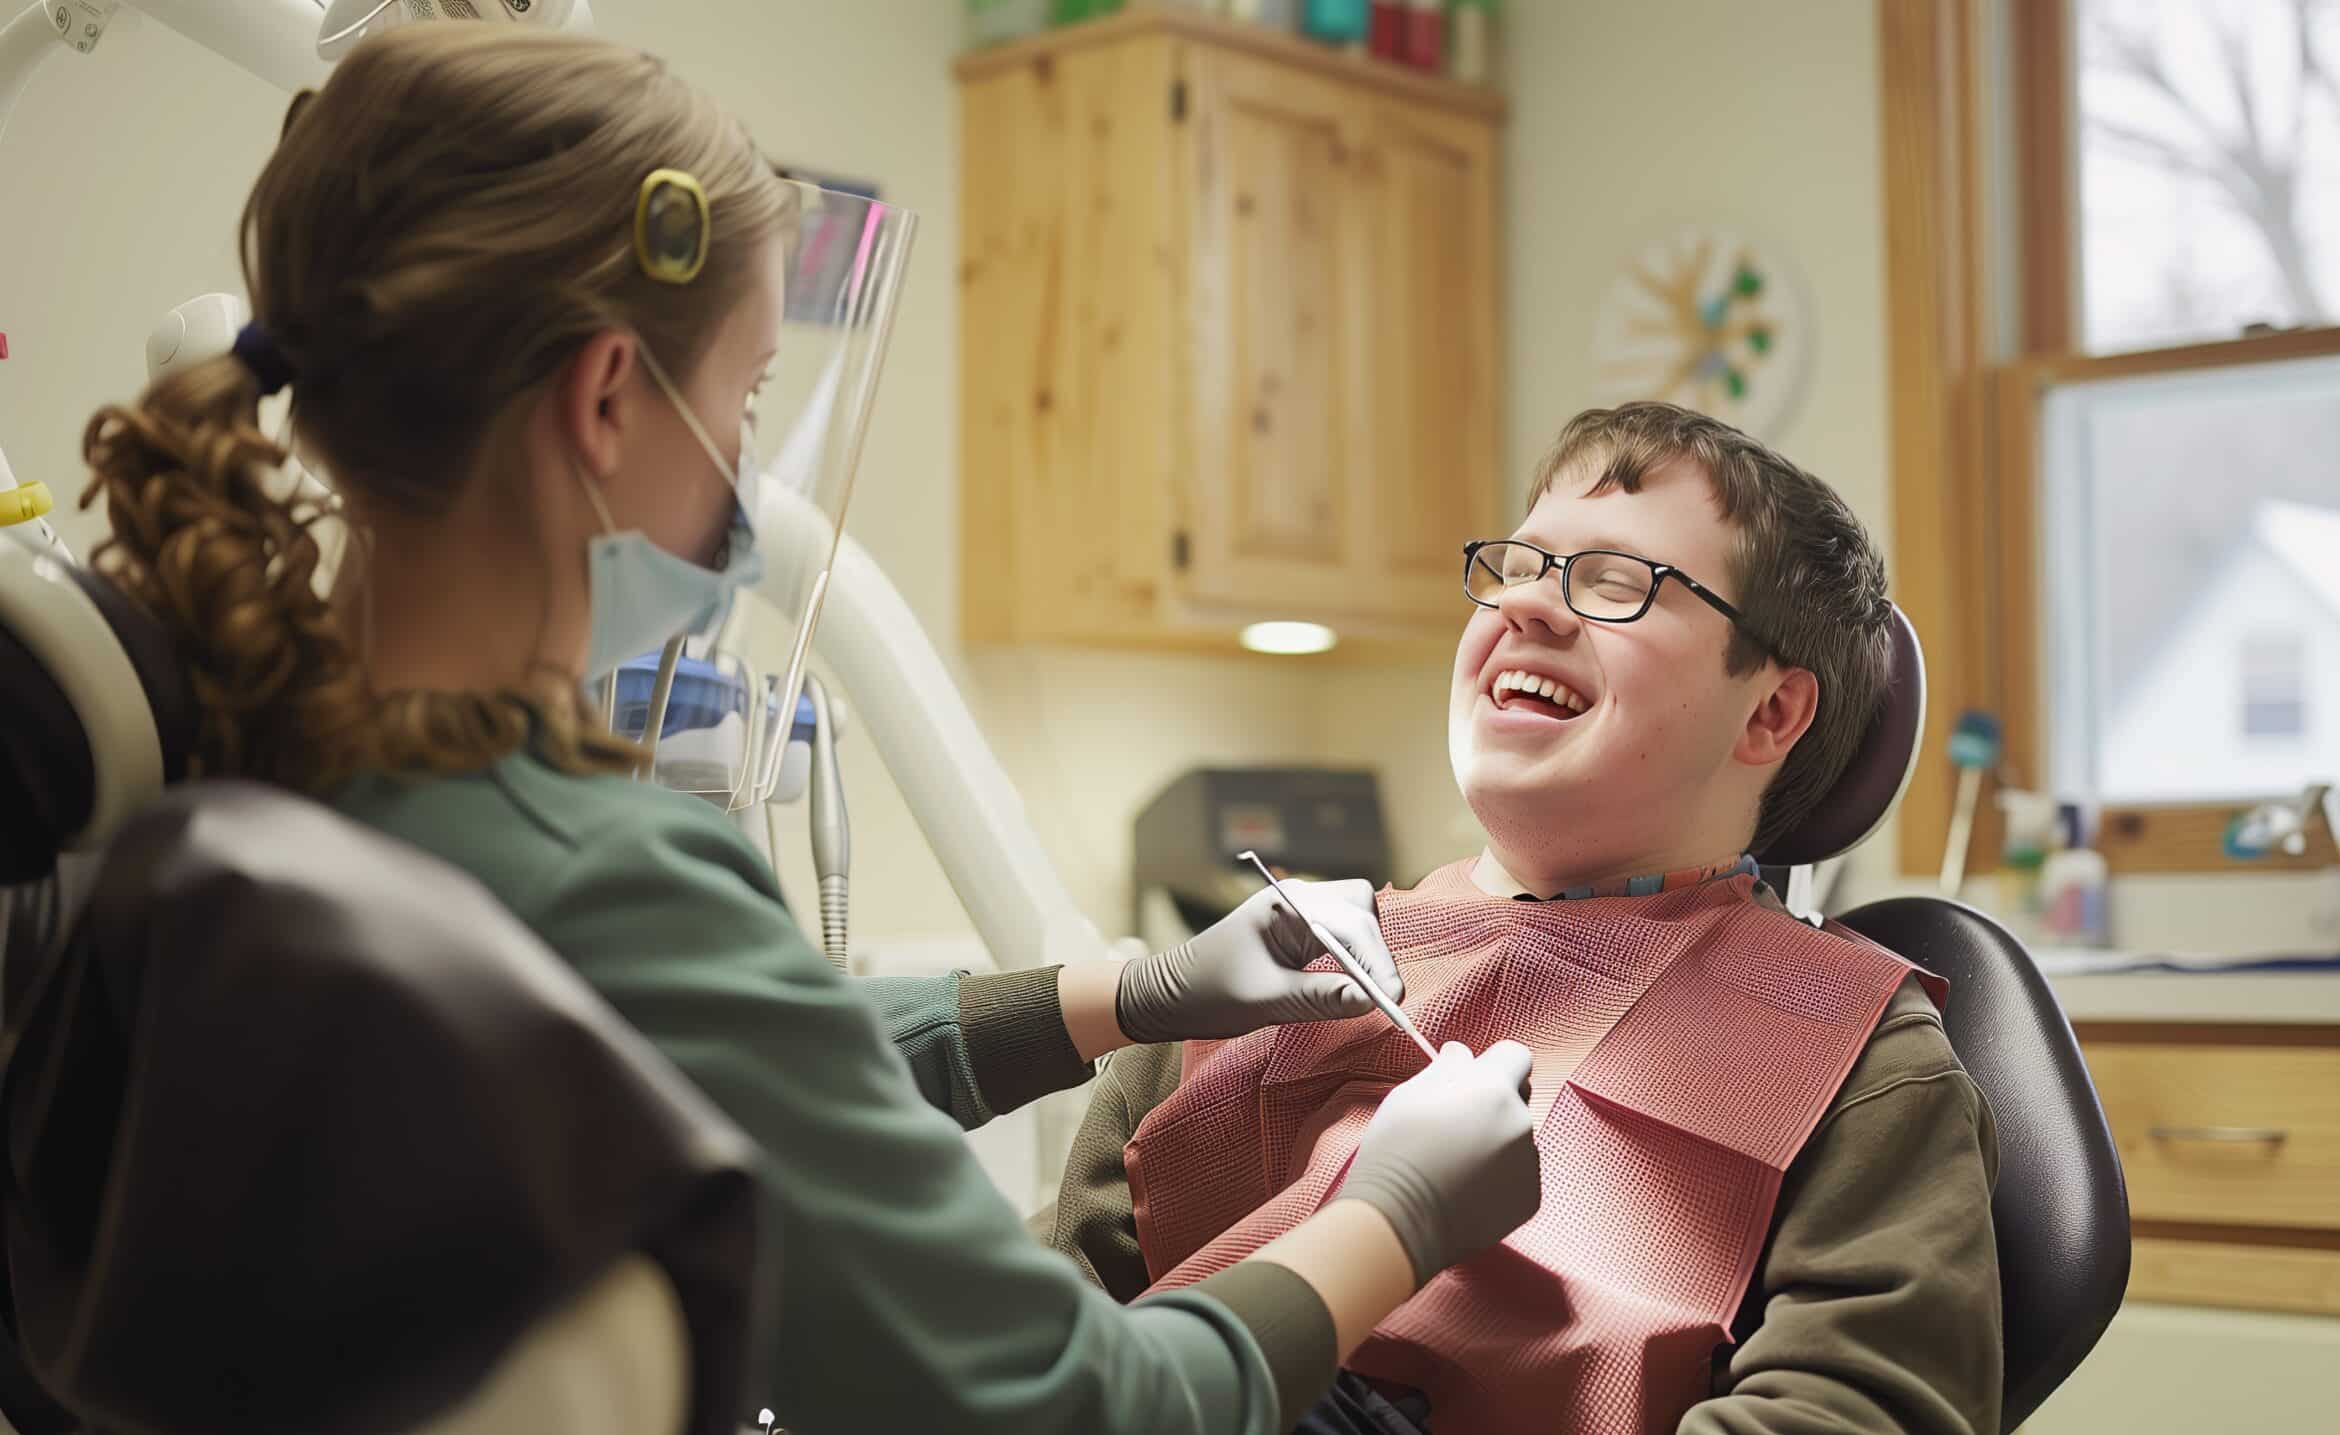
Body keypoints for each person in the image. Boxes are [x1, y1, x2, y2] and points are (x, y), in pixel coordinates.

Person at [72, 24, 1541, 1434]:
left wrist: (1138, 988)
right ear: (603, 396)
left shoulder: (277, 755)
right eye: (746, 390)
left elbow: (705, 1057)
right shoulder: (597, 871)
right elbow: (1076, 1406)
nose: (748, 457)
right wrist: (1392, 1214)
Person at [1047, 403, 2003, 1435]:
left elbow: (1852, 1413)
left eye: (1615, 581)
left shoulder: (1859, 1063)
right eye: (1521, 563)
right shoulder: (1273, 974)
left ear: (1769, 712)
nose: (1531, 607)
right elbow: (1024, 1340)